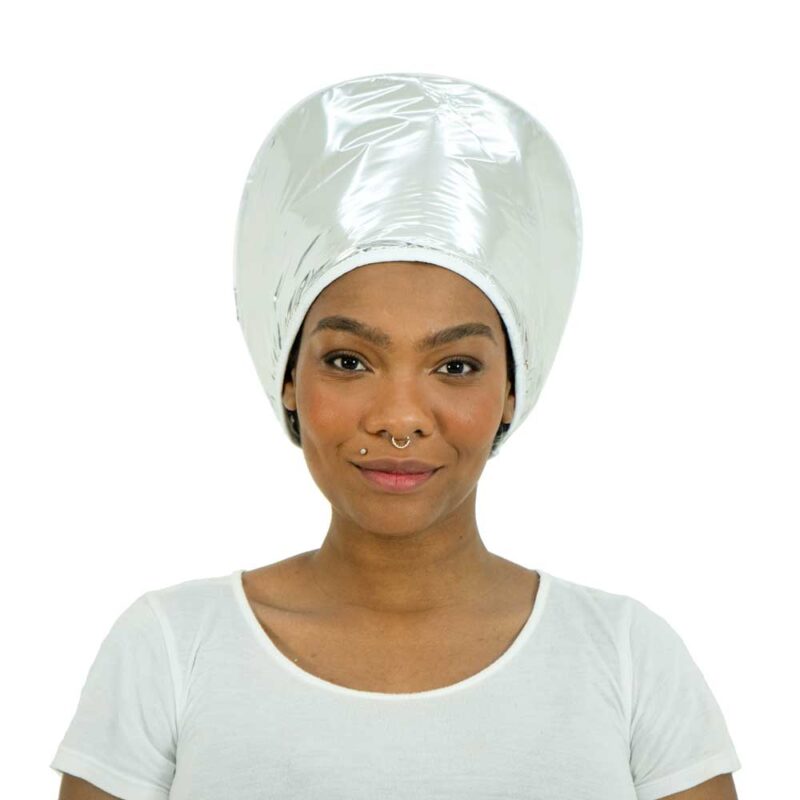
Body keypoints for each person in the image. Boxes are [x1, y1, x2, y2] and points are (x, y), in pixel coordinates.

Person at [51, 73, 741, 799]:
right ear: (288, 378)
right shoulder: (171, 650)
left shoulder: (627, 657)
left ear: (512, 391)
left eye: (455, 366)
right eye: (349, 361)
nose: (400, 417)